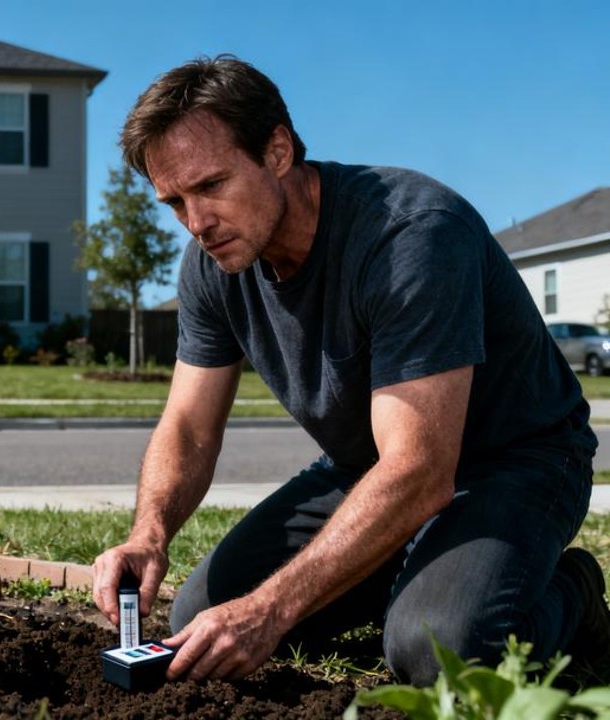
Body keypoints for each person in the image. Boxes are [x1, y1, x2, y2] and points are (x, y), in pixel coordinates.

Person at [92, 54, 609, 687]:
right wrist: (148, 534)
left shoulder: (411, 236)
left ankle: (573, 592)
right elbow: (190, 427)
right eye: (174, 202)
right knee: (202, 614)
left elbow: (421, 471)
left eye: (211, 186)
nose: (196, 223)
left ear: (278, 151)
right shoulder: (213, 265)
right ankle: (413, 571)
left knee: (436, 650)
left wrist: (270, 608)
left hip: (517, 461)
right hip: (373, 466)